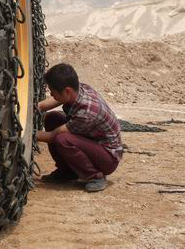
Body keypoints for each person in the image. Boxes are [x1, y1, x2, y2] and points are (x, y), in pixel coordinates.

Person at [36, 63, 123, 192]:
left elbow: (52, 136)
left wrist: (23, 133)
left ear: (67, 91)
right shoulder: (78, 89)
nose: (51, 94)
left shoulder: (87, 111)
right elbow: (57, 100)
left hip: (108, 158)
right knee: (52, 118)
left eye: (52, 91)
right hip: (93, 143)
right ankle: (67, 172)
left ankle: (95, 177)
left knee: (62, 139)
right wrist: (33, 107)